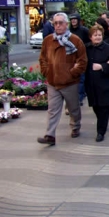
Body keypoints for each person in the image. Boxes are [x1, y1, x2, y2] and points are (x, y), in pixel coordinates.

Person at [37, 12, 87, 145]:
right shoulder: (48, 40)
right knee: (52, 110)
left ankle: (75, 126)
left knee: (73, 108)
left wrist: (72, 73)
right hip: (53, 81)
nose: (58, 26)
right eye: (55, 23)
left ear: (66, 24)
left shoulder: (75, 40)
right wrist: (46, 71)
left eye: (60, 23)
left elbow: (82, 61)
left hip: (69, 82)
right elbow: (42, 58)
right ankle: (50, 135)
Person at [84, 25, 109, 142]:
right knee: (96, 107)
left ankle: (101, 132)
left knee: (104, 108)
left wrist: (103, 66)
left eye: (99, 35)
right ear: (90, 37)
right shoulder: (86, 48)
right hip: (91, 84)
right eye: (95, 35)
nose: (97, 37)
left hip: (104, 84)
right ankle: (102, 124)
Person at [68, 12, 90, 106]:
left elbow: (90, 42)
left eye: (75, 19)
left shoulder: (84, 30)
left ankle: (79, 98)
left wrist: (81, 47)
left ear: (78, 20)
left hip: (81, 57)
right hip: (70, 58)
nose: (73, 21)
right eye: (71, 19)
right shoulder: (68, 31)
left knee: (81, 78)